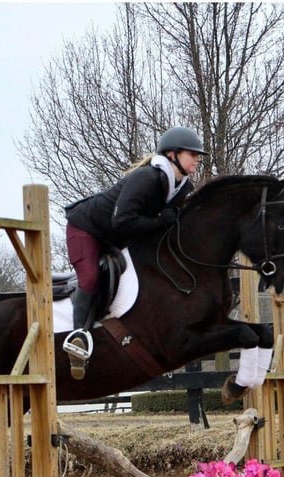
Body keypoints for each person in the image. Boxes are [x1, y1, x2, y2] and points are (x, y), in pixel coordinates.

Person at [62, 127, 207, 379]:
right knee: (90, 277)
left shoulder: (182, 187)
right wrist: (163, 219)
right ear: (172, 155)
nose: (197, 159)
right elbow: (123, 221)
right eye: (191, 154)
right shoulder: (147, 178)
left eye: (198, 155)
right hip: (86, 228)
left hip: (118, 236)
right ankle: (78, 338)